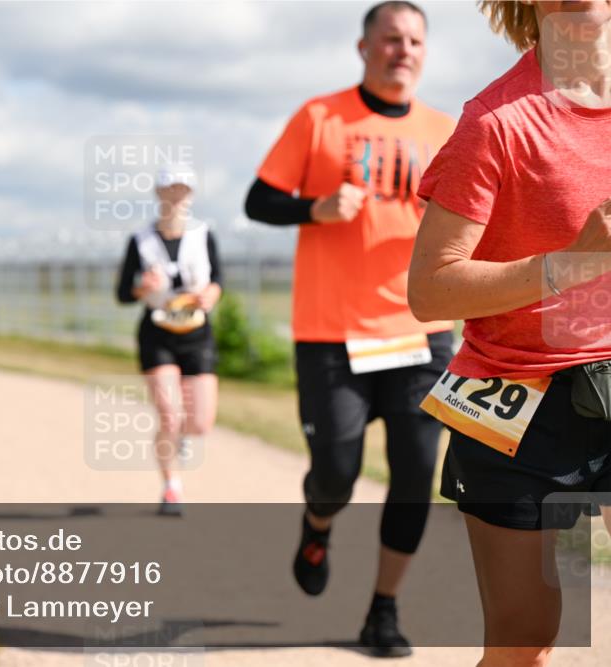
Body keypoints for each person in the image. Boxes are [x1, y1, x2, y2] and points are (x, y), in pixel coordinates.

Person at [244, 1, 457, 657]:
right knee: (335, 471)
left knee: (415, 473)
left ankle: (382, 612)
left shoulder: (447, 131)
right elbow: (258, 200)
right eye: (390, 37)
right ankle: (318, 524)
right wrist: (316, 206)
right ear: (363, 47)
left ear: (426, 51)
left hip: (420, 332)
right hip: (332, 333)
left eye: (415, 39)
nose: (404, 49)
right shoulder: (320, 117)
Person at [408, 2, 611, 665]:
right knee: (525, 637)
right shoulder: (494, 121)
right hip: (517, 401)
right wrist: (573, 262)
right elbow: (431, 288)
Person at [115, 164, 223, 517]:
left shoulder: (203, 234)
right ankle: (171, 487)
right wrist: (142, 287)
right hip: (157, 332)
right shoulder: (140, 240)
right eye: (170, 190)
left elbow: (218, 279)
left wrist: (211, 294)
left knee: (200, 421)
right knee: (169, 414)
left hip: (196, 332)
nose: (176, 197)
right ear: (159, 194)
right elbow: (122, 293)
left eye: (183, 190)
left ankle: (184, 438)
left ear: (190, 195)